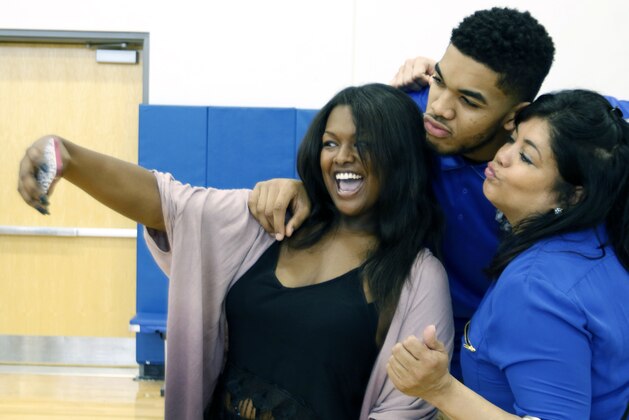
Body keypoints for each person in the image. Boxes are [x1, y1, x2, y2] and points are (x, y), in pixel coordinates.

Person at [17, 83, 454, 419]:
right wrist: (68, 156)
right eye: (330, 142)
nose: (342, 157)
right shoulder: (274, 222)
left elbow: (404, 407)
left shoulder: (417, 278)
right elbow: (169, 204)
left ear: (400, 157)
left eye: (363, 144)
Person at [248, 7, 557, 380]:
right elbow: (344, 164)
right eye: (440, 82)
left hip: (493, 361)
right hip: (392, 345)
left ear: (516, 116)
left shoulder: (542, 163)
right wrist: (305, 188)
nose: (439, 108)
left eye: (469, 101)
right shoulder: (410, 112)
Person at [386, 89, 629, 419]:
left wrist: (439, 389)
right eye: (512, 139)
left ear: (574, 196)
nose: (502, 156)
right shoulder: (602, 240)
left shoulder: (536, 288)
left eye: (527, 158)